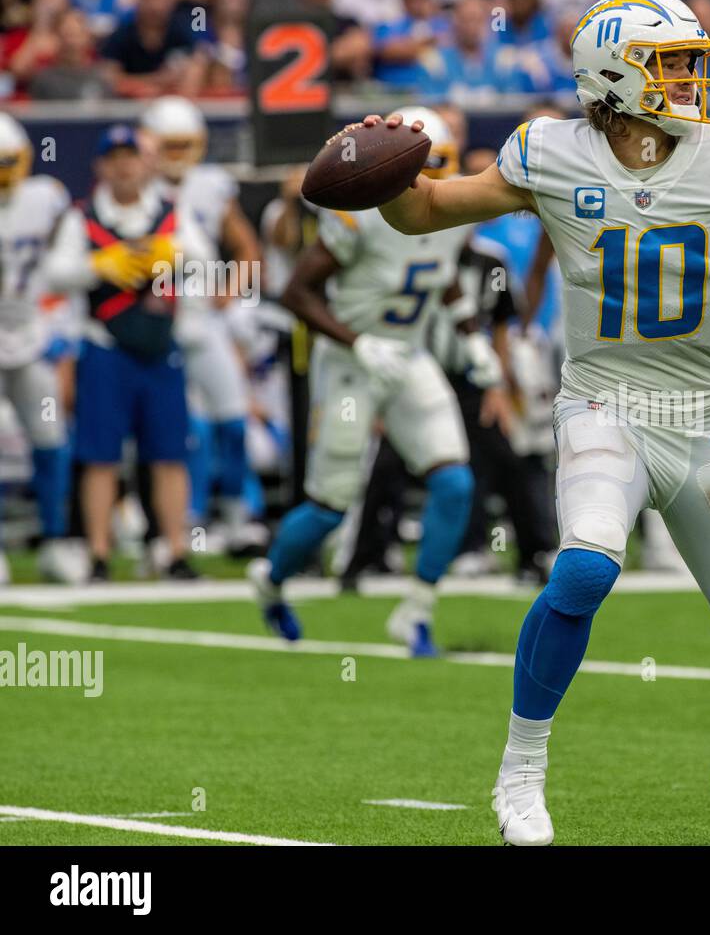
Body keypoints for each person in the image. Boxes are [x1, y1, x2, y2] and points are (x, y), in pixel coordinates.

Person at [369, 0, 710, 845]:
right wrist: (383, 174)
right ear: (616, 74)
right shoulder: (550, 151)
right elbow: (426, 208)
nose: (694, 76)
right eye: (675, 61)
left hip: (706, 414)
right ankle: (522, 772)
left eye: (694, 59)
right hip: (604, 403)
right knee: (585, 568)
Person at [248, 107, 479, 659]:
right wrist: (359, 342)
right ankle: (272, 580)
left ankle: (416, 613)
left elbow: (442, 278)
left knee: (454, 484)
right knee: (330, 506)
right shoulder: (361, 216)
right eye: (426, 164)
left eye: (441, 165)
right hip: (352, 361)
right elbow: (296, 294)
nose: (434, 178)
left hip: (409, 355)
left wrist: (469, 336)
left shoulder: (455, 213)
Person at [44, 124, 211, 582]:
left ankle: (173, 549)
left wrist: (165, 254)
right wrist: (100, 265)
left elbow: (206, 260)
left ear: (145, 162)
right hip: (107, 345)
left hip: (160, 346)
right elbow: (54, 273)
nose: (123, 166)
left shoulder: (171, 213)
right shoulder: (83, 217)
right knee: (100, 455)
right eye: (114, 158)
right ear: (101, 165)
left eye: (130, 156)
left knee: (169, 452)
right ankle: (99, 553)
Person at [139, 96, 264, 554]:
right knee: (187, 429)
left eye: (183, 145)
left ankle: (237, 515)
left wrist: (230, 293)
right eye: (168, 146)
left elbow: (248, 248)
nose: (176, 156)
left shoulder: (212, 185)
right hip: (159, 324)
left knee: (233, 421)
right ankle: (185, 522)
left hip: (205, 320)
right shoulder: (139, 186)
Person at [0, 113, 82, 584]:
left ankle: (55, 542)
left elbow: (64, 268)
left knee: (51, 441)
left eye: (10, 162)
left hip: (31, 336)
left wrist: (59, 332)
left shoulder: (46, 200)